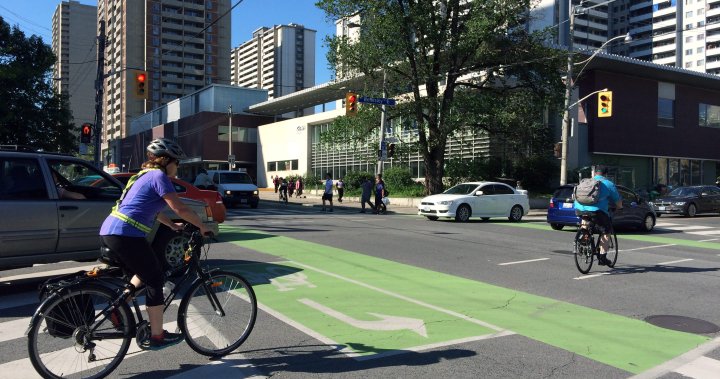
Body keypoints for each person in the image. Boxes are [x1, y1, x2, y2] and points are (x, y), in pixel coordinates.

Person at [99, 138, 213, 350]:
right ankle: (157, 335)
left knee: (144, 271)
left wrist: (172, 225)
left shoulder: (142, 176)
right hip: (126, 234)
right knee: (155, 278)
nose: (177, 167)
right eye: (176, 162)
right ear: (166, 160)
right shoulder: (159, 176)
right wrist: (202, 226)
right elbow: (180, 208)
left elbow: (155, 210)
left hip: (111, 231)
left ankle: (118, 305)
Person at [573, 165, 622, 266]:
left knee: (585, 221)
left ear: (595, 173)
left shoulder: (585, 182)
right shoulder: (608, 184)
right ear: (606, 174)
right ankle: (602, 257)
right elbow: (618, 203)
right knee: (606, 231)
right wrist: (618, 208)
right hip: (597, 211)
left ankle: (583, 237)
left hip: (579, 208)